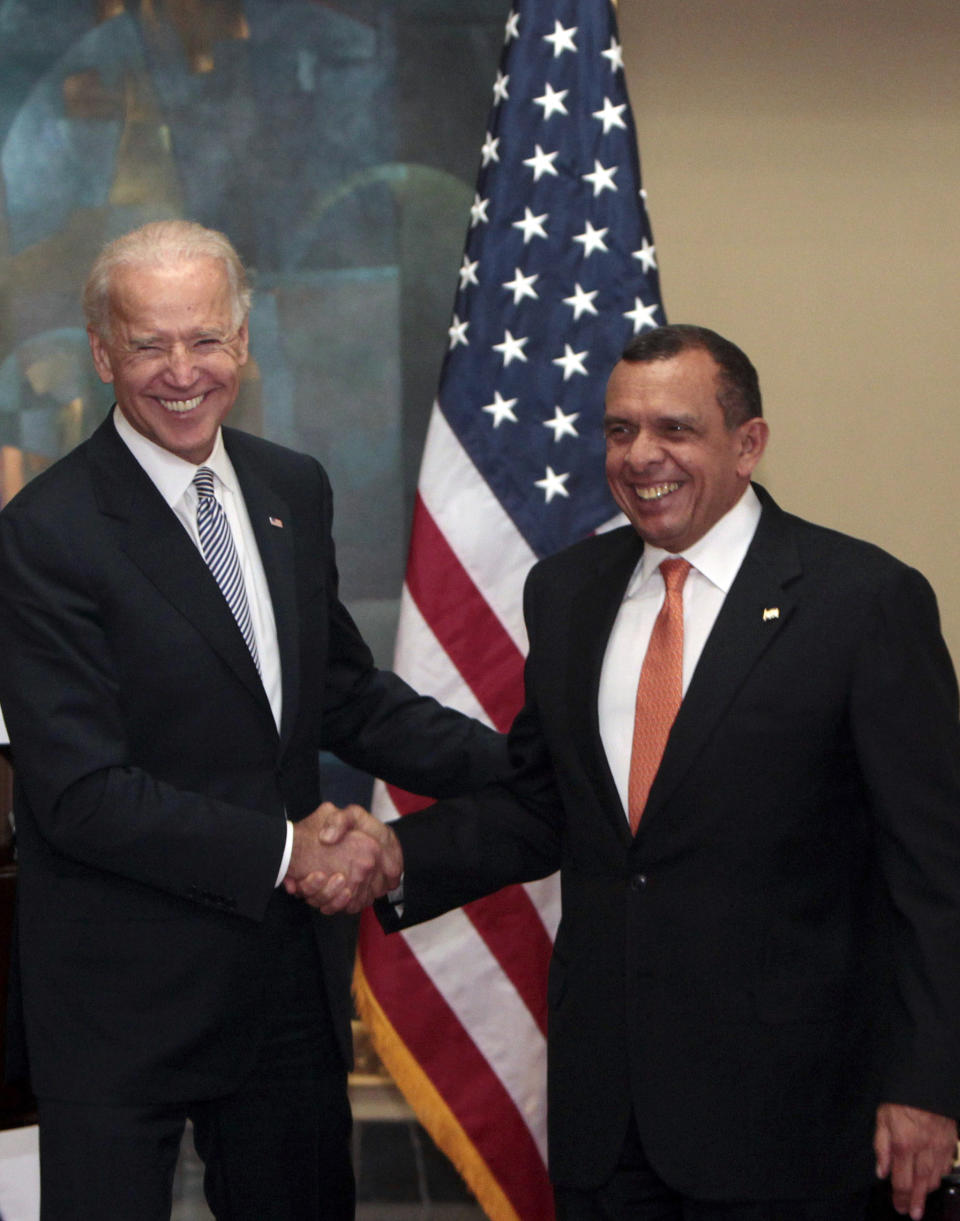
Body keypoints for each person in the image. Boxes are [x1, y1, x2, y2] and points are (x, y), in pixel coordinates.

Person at [310, 325, 960, 1220]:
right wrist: (393, 852)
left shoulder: (864, 602)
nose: (642, 455)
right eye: (619, 430)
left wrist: (927, 1084)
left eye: (675, 429)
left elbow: (935, 870)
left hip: (795, 1120)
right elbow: (546, 803)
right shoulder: (568, 591)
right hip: (607, 1120)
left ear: (749, 443)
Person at [0, 219, 509, 1221]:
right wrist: (289, 851)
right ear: (103, 353)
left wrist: (527, 763)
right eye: (149, 344)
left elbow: (341, 696)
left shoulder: (290, 488)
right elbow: (80, 794)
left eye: (206, 340)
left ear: (244, 344)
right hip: (120, 1000)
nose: (181, 371)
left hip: (280, 985)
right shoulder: (44, 533)